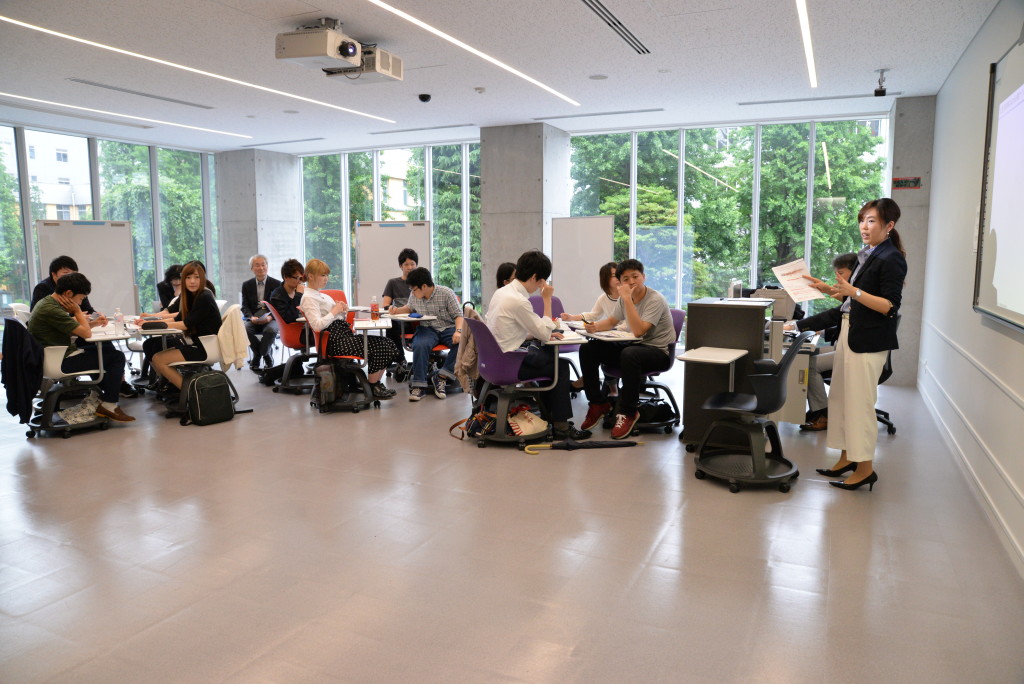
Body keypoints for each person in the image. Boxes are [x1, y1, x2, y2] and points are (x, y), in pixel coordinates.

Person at [791, 198, 907, 492]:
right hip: (849, 333)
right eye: (862, 220)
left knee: (859, 406)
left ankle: (865, 468)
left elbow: (889, 306)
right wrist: (830, 290)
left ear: (889, 225)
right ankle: (846, 458)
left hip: (867, 341)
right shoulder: (868, 254)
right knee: (841, 401)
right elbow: (853, 301)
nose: (864, 227)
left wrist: (852, 291)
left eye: (872, 221)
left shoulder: (891, 258)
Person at [487, 250, 590, 440]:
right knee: (560, 366)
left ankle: (549, 415)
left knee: (549, 358)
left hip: (496, 361)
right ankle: (560, 425)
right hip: (509, 365)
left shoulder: (502, 293)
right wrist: (547, 299)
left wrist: (539, 332)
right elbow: (544, 332)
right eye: (542, 281)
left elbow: (513, 330)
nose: (542, 285)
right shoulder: (518, 301)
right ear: (535, 277)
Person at [578, 259, 677, 439]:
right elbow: (611, 321)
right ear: (620, 282)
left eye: (635, 276)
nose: (631, 282)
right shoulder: (625, 299)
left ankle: (628, 412)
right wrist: (595, 327)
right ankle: (598, 403)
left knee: (629, 353)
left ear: (643, 277)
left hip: (659, 352)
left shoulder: (655, 299)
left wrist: (626, 299)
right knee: (588, 349)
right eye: (626, 279)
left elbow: (638, 331)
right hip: (635, 348)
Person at [27, 272, 135, 422]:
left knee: (105, 350)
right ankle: (109, 404)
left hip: (54, 356)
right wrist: (77, 311)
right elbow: (85, 334)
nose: (80, 302)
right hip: (58, 362)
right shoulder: (52, 309)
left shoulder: (48, 303)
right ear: (68, 293)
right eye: (81, 298)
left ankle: (103, 396)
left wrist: (94, 323)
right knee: (117, 357)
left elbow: (73, 330)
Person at [299, 258, 398, 399]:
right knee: (381, 346)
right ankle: (372, 386)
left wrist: (342, 311)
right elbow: (317, 325)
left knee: (389, 344)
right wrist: (334, 311)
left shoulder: (322, 295)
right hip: (334, 341)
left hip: (343, 334)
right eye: (322, 275)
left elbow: (338, 319)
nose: (326, 278)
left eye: (327, 275)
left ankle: (375, 384)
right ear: (310, 276)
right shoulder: (308, 298)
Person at [797, 252, 857, 431]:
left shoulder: (858, 295)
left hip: (852, 350)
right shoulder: (853, 295)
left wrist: (796, 326)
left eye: (841, 273)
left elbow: (834, 315)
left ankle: (824, 413)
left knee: (809, 365)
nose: (838, 278)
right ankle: (817, 408)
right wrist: (821, 332)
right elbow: (842, 320)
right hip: (843, 346)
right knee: (806, 356)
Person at [389, 267, 463, 401]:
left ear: (424, 286)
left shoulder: (446, 293)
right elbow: (409, 307)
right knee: (420, 345)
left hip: (448, 328)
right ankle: (419, 386)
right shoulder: (414, 295)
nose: (412, 292)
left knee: (462, 342)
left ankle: (441, 377)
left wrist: (458, 332)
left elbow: (458, 316)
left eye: (414, 289)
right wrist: (396, 310)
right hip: (427, 329)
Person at [151, 261, 223, 393]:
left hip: (206, 348)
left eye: (196, 277)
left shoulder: (204, 296)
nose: (192, 281)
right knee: (157, 355)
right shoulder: (192, 296)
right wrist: (150, 322)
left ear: (203, 278)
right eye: (188, 278)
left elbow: (185, 324)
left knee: (158, 359)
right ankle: (182, 391)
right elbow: (177, 318)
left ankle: (192, 394)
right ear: (183, 280)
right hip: (199, 345)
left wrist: (155, 324)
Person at [241, 254, 281, 371]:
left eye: (263, 265)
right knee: (245, 330)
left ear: (267, 266)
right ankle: (265, 354)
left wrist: (270, 317)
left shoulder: (277, 284)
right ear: (252, 268)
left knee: (270, 330)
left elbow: (279, 306)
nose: (261, 268)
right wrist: (251, 317)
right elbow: (245, 306)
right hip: (254, 318)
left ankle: (260, 355)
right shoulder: (247, 285)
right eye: (257, 265)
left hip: (271, 318)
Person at [382, 248, 418, 363]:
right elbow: (386, 304)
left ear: (416, 265)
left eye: (412, 264)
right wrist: (392, 309)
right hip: (400, 321)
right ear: (400, 266)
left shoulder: (422, 284)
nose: (410, 267)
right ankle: (400, 359)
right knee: (391, 325)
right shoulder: (393, 283)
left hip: (418, 321)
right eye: (406, 264)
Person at [31, 255, 96, 314]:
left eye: (74, 274)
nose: (71, 277)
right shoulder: (42, 287)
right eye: (66, 273)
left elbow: (88, 310)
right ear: (54, 274)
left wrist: (97, 317)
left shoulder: (77, 286)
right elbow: (38, 314)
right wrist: (77, 315)